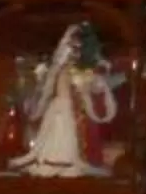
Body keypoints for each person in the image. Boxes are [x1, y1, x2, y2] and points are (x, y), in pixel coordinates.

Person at [15, 24, 120, 177]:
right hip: (61, 108)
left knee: (71, 135)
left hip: (71, 108)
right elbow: (54, 87)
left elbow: (87, 87)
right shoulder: (62, 71)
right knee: (58, 135)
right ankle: (56, 161)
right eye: (72, 48)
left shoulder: (78, 71)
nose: (74, 53)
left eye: (78, 48)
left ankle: (67, 160)